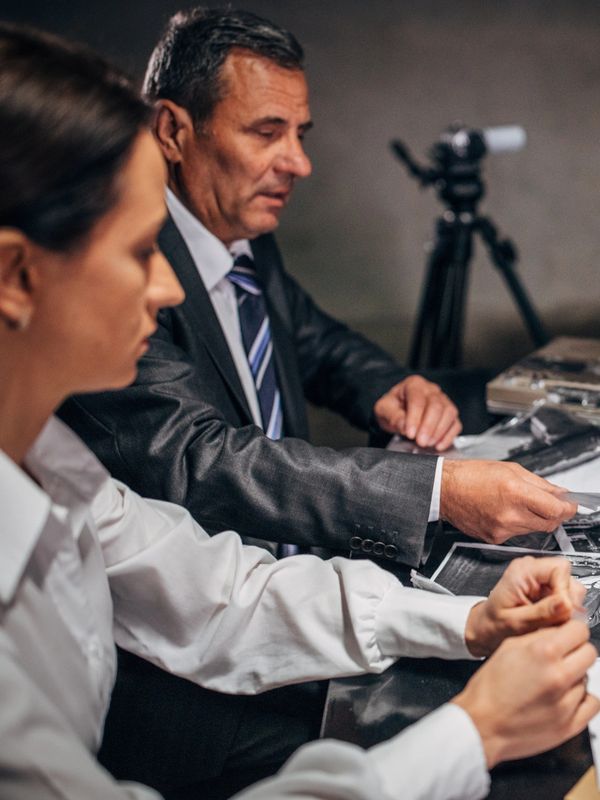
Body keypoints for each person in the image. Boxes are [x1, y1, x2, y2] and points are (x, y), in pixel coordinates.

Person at [1, 22, 598, 800]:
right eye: (142, 251)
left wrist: (467, 620)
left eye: (300, 134)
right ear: (17, 276)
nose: (169, 285)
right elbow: (205, 459)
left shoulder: (60, 468)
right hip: (180, 720)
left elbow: (221, 590)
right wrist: (474, 730)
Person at [58, 6, 576, 566]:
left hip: (300, 572)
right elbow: (199, 458)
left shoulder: (242, 232)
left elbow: (311, 337)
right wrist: (435, 489)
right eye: (266, 133)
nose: (300, 163)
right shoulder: (112, 273)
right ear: (172, 131)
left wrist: (390, 386)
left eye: (299, 134)